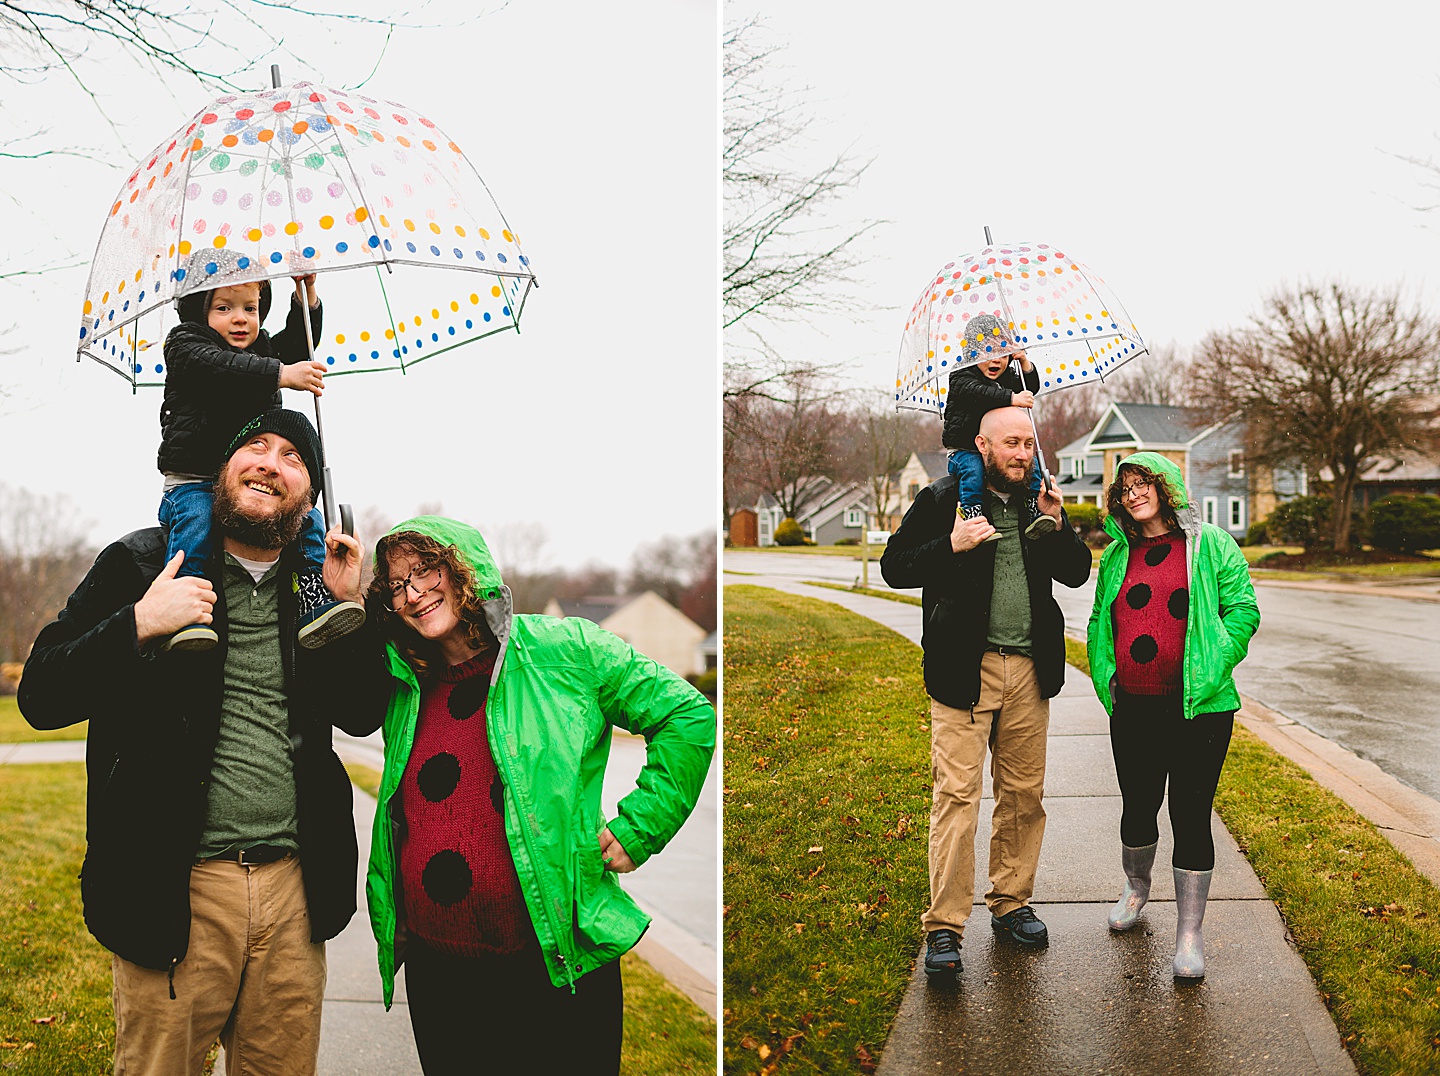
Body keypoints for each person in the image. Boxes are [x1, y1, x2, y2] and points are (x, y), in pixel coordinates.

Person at [18, 409, 386, 1074]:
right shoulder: (141, 563)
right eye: (255, 446)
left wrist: (348, 610)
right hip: (174, 893)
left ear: (312, 495)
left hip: (292, 895)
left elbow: (362, 716)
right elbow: (41, 693)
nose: (271, 463)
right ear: (220, 470)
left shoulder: (315, 587)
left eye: (292, 457)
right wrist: (138, 623)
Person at [360, 516, 715, 1075]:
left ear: (462, 569)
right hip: (440, 978)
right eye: (398, 584)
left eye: (425, 571)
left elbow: (686, 715)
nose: (414, 593)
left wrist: (640, 827)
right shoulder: (405, 682)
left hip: (551, 969)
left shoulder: (564, 650)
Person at [881, 406, 1091, 984]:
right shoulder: (944, 498)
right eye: (1011, 443)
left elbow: (1076, 574)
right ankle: (945, 926)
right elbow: (894, 567)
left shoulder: (1037, 501)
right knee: (957, 797)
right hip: (961, 672)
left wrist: (1060, 521)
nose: (1022, 453)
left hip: (1028, 668)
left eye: (1028, 442)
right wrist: (949, 544)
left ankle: (1011, 904)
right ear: (983, 444)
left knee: (1024, 795)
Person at [1088, 451, 1259, 980]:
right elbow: (1100, 617)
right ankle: (1136, 891)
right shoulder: (1117, 553)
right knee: (1138, 807)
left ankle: (1189, 934)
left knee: (1190, 814)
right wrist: (1107, 676)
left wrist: (1212, 664)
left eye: (1143, 483)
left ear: (1167, 487)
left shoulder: (1210, 545)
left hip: (1199, 711)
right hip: (1133, 706)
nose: (1133, 494)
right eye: (1125, 488)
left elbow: (1244, 611)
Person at [157, 255, 363, 652]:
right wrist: (280, 374)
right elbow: (220, 367)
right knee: (197, 526)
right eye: (224, 307)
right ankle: (187, 611)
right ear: (200, 311)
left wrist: (306, 297)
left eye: (250, 308)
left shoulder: (261, 348)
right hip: (195, 479)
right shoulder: (187, 344)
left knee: (307, 519)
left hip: (251, 481)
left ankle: (313, 601)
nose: (240, 319)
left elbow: (299, 344)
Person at [941, 313, 1054, 541]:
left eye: (1002, 353)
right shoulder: (962, 375)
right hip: (964, 450)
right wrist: (1012, 398)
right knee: (974, 473)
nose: (996, 360)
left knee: (1030, 470)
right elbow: (981, 393)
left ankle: (1033, 512)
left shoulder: (1007, 376)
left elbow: (1030, 387)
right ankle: (973, 520)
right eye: (988, 352)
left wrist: (1024, 362)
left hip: (995, 449)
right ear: (971, 352)